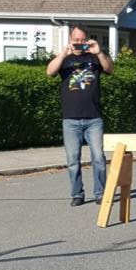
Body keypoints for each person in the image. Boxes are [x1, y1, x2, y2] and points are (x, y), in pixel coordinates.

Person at [46, 25, 113, 206]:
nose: (79, 43)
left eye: (82, 40)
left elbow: (109, 69)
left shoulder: (94, 57)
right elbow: (49, 72)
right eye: (76, 40)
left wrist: (99, 53)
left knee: (98, 158)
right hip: (70, 118)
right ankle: (77, 194)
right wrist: (62, 54)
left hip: (93, 118)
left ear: (87, 40)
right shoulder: (65, 60)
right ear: (70, 40)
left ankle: (100, 193)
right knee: (73, 160)